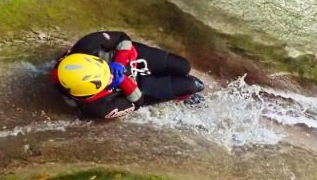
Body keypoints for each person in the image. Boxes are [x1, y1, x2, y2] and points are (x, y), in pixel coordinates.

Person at [52, 30, 205, 119]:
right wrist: (123, 81)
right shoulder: (98, 107)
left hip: (132, 58)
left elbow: (122, 38)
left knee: (183, 66)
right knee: (191, 85)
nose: (110, 76)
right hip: (136, 88)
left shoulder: (86, 45)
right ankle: (182, 96)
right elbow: (138, 102)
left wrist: (119, 61)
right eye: (106, 79)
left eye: (106, 70)